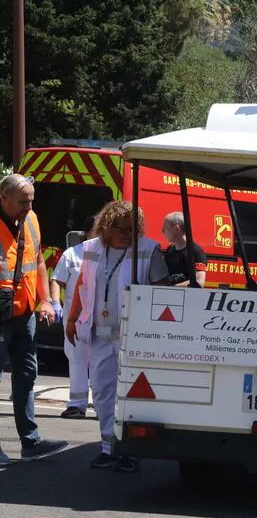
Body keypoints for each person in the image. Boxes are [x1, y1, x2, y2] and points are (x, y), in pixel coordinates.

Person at [65, 202, 169, 472]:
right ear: (107, 227)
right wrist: (73, 318)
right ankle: (108, 447)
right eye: (122, 229)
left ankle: (130, 453)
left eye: (133, 229)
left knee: (133, 396)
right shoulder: (91, 249)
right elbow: (81, 285)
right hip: (99, 334)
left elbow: (162, 292)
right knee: (101, 393)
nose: (128, 234)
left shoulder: (148, 250)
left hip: (134, 337)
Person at [0, 174, 68, 466]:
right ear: (3, 198)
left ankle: (31, 442)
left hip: (24, 310)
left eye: (31, 201)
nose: (28, 207)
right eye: (22, 202)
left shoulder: (31, 219)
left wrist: (47, 300)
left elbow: (38, 260)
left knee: (26, 375)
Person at [51, 215, 97, 418]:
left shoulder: (112, 255)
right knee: (77, 360)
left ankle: (100, 404)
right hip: (76, 318)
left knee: (101, 362)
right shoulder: (72, 254)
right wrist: (54, 302)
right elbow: (57, 280)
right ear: (87, 232)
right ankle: (77, 405)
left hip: (102, 318)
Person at [161, 212, 207, 287]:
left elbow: (199, 281)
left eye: (165, 228)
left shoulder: (195, 252)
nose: (162, 231)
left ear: (177, 229)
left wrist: (174, 287)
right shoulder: (169, 251)